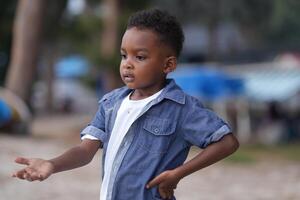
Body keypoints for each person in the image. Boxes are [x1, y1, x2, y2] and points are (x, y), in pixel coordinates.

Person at [12, 9, 239, 200]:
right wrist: (52, 165)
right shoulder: (111, 103)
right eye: (123, 56)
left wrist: (177, 174)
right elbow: (85, 151)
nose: (127, 65)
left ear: (168, 64)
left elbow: (227, 142)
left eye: (139, 57)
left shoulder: (181, 109)